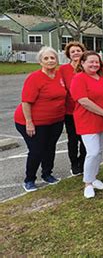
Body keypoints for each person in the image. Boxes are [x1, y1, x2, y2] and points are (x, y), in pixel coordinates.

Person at [14, 47, 66, 192]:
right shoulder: (34, 78)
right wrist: (29, 122)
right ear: (40, 62)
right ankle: (29, 179)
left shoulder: (59, 75)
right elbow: (26, 101)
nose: (50, 61)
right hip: (32, 121)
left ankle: (47, 174)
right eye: (46, 58)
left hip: (55, 121)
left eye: (52, 58)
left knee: (50, 148)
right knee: (37, 150)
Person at [70, 51, 103, 199]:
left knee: (99, 151)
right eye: (91, 62)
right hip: (88, 120)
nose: (95, 64)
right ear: (82, 63)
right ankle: (88, 183)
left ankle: (94, 177)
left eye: (97, 62)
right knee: (93, 151)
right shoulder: (79, 79)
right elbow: (83, 101)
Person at [59, 41, 87, 176]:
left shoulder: (87, 67)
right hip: (70, 111)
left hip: (85, 110)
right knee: (73, 139)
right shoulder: (63, 69)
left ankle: (82, 162)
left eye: (78, 50)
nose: (76, 53)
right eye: (73, 52)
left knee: (85, 139)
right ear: (69, 55)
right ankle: (74, 164)